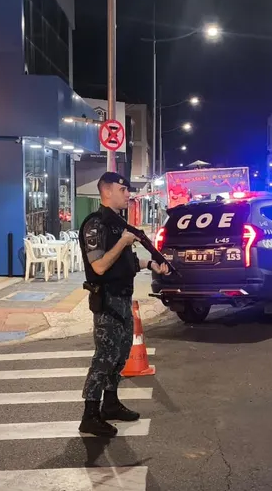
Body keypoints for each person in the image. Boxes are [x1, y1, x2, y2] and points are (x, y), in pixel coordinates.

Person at [78, 171, 171, 437]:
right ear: (106, 191)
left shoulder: (119, 224)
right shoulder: (95, 225)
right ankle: (90, 414)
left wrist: (152, 264)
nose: (128, 194)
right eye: (123, 189)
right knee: (103, 359)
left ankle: (111, 403)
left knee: (120, 356)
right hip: (106, 301)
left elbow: (126, 262)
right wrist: (123, 242)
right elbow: (99, 265)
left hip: (123, 299)